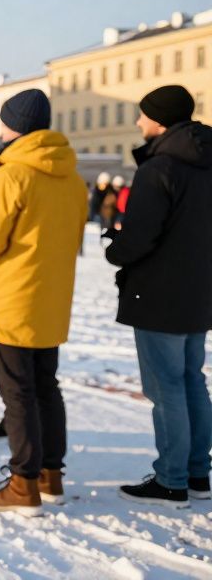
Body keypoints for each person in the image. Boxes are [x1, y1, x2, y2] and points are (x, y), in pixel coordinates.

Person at [0, 88, 87, 515]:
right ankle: (51, 475)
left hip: (13, 299)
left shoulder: (10, 174)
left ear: (13, 126)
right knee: (47, 388)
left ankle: (22, 484)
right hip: (51, 299)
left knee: (18, 394)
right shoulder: (70, 175)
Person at [104, 85, 212, 507]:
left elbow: (140, 239)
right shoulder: (206, 162)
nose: (137, 122)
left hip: (160, 292)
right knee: (191, 381)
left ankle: (170, 479)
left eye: (142, 114)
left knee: (166, 386)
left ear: (160, 120)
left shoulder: (160, 167)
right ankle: (197, 473)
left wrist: (115, 246)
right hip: (200, 290)